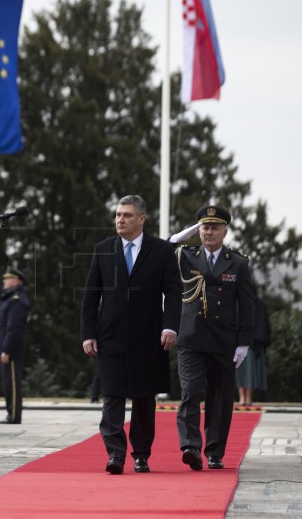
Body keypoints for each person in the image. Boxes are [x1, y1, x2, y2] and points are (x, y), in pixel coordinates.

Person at [80, 195, 181, 474]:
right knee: (111, 396)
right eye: (117, 215)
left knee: (143, 398)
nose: (120, 220)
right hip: (110, 336)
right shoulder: (103, 249)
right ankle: (115, 454)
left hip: (148, 336)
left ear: (141, 219)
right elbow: (91, 296)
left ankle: (141, 454)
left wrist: (170, 326)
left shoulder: (162, 251)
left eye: (126, 215)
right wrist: (88, 333)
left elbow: (173, 292)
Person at [176, 206, 255, 471]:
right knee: (190, 391)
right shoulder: (185, 255)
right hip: (190, 337)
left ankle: (214, 451)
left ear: (225, 231)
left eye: (214, 227)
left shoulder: (238, 262)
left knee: (220, 397)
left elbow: (247, 304)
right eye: (204, 227)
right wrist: (180, 236)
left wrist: (244, 342)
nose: (209, 232)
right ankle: (190, 446)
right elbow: (159, 251)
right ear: (197, 230)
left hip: (223, 339)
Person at [0, 264, 29, 425]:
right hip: (5, 348)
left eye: (8, 279)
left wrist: (6, 350)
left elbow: (13, 328)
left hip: (10, 350)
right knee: (7, 383)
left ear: (16, 281)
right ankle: (10, 413)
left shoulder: (18, 300)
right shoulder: (8, 296)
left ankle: (14, 416)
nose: (4, 282)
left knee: (12, 384)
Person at [236, 298, 269, 406]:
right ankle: (242, 396)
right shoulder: (236, 303)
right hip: (238, 343)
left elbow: (263, 325)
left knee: (250, 371)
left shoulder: (258, 305)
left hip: (253, 344)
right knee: (239, 371)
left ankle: (248, 397)